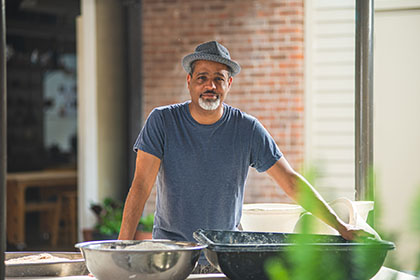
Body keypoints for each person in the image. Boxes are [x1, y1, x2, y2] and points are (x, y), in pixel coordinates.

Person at [118, 41, 373, 272]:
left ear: (229, 84)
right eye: (202, 77)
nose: (210, 86)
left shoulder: (247, 129)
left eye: (219, 79)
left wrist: (342, 227)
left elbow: (291, 182)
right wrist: (121, 251)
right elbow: (141, 185)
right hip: (171, 257)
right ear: (189, 81)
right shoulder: (162, 121)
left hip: (224, 258)